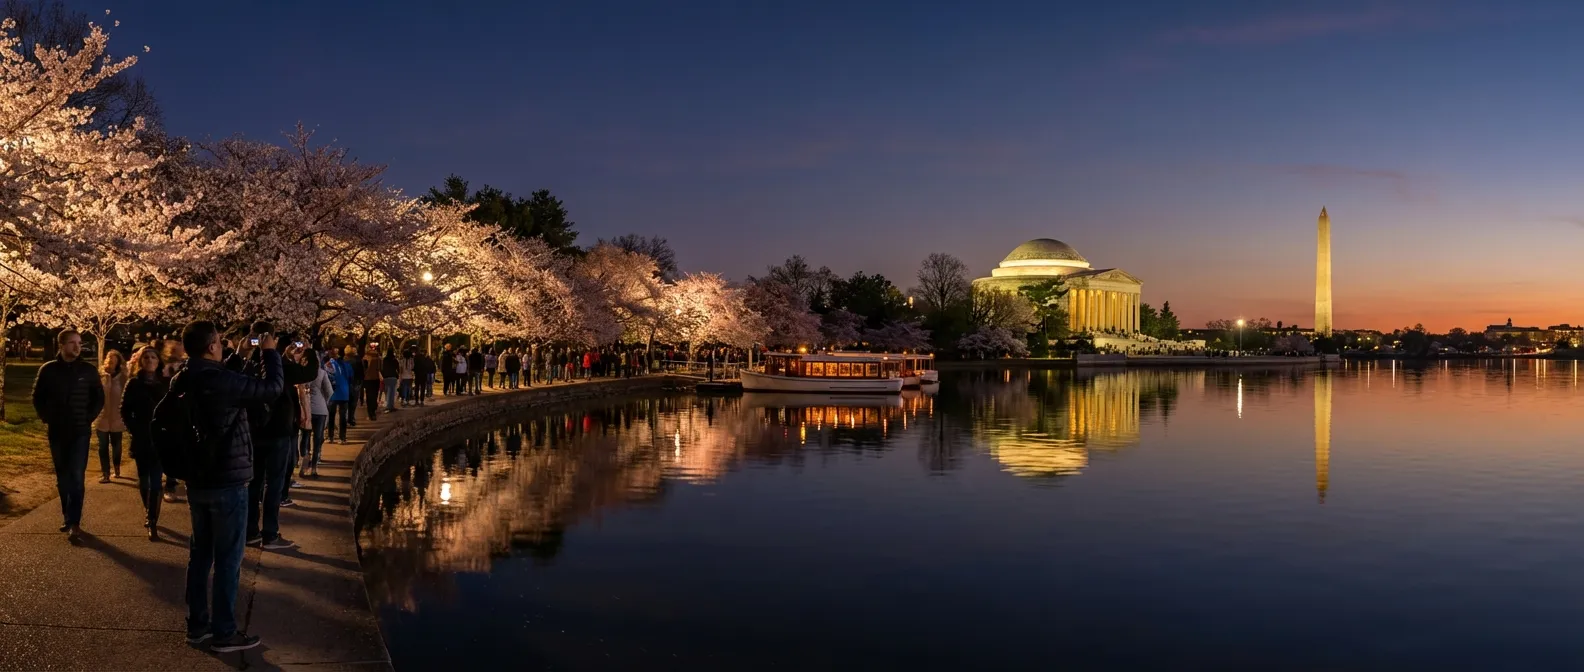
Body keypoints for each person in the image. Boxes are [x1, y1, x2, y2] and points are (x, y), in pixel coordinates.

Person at [181, 321, 282, 652]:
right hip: (228, 480)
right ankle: (224, 631)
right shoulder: (220, 380)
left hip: (198, 480)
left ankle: (197, 626)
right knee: (228, 559)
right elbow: (271, 388)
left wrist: (240, 356)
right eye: (220, 343)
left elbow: (225, 382)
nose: (224, 346)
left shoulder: (184, 376)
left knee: (200, 557)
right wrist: (270, 352)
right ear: (211, 345)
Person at [30, 329, 105, 540]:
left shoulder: (88, 370)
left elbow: (99, 397)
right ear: (61, 345)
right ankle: (66, 515)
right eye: (73, 343)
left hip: (80, 430)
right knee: (63, 477)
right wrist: (47, 417)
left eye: (79, 343)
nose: (77, 347)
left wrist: (88, 417)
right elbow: (37, 397)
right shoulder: (48, 370)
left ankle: (74, 522)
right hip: (57, 430)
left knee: (76, 476)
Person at [121, 345, 168, 541]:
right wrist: (134, 428)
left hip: (160, 438)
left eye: (153, 357)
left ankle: (152, 518)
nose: (150, 360)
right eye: (146, 357)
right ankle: (147, 508)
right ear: (141, 361)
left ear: (158, 362)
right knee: (144, 479)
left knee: (156, 481)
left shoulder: (165, 384)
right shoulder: (133, 384)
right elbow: (125, 410)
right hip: (141, 437)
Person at [95, 349, 128, 483]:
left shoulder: (122, 377)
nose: (110, 361)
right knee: (102, 446)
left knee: (116, 445)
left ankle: (117, 469)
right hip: (101, 417)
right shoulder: (100, 375)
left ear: (118, 362)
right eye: (109, 358)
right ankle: (105, 473)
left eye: (113, 360)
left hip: (117, 417)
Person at [300, 350, 330, 478]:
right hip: (320, 410)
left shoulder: (301, 372)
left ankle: (304, 461)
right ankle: (314, 469)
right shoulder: (322, 373)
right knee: (317, 439)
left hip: (306, 409)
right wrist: (323, 402)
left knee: (305, 436)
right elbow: (329, 391)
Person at [326, 349, 352, 444]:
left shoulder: (328, 365)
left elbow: (327, 378)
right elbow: (351, 377)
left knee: (331, 415)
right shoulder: (346, 364)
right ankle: (342, 438)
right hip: (344, 392)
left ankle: (331, 436)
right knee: (343, 416)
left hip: (333, 393)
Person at [362, 346, 382, 420]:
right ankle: (373, 410)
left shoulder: (365, 358)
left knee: (369, 396)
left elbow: (363, 369)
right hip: (376, 378)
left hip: (367, 379)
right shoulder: (378, 358)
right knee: (374, 395)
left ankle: (370, 412)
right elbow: (380, 368)